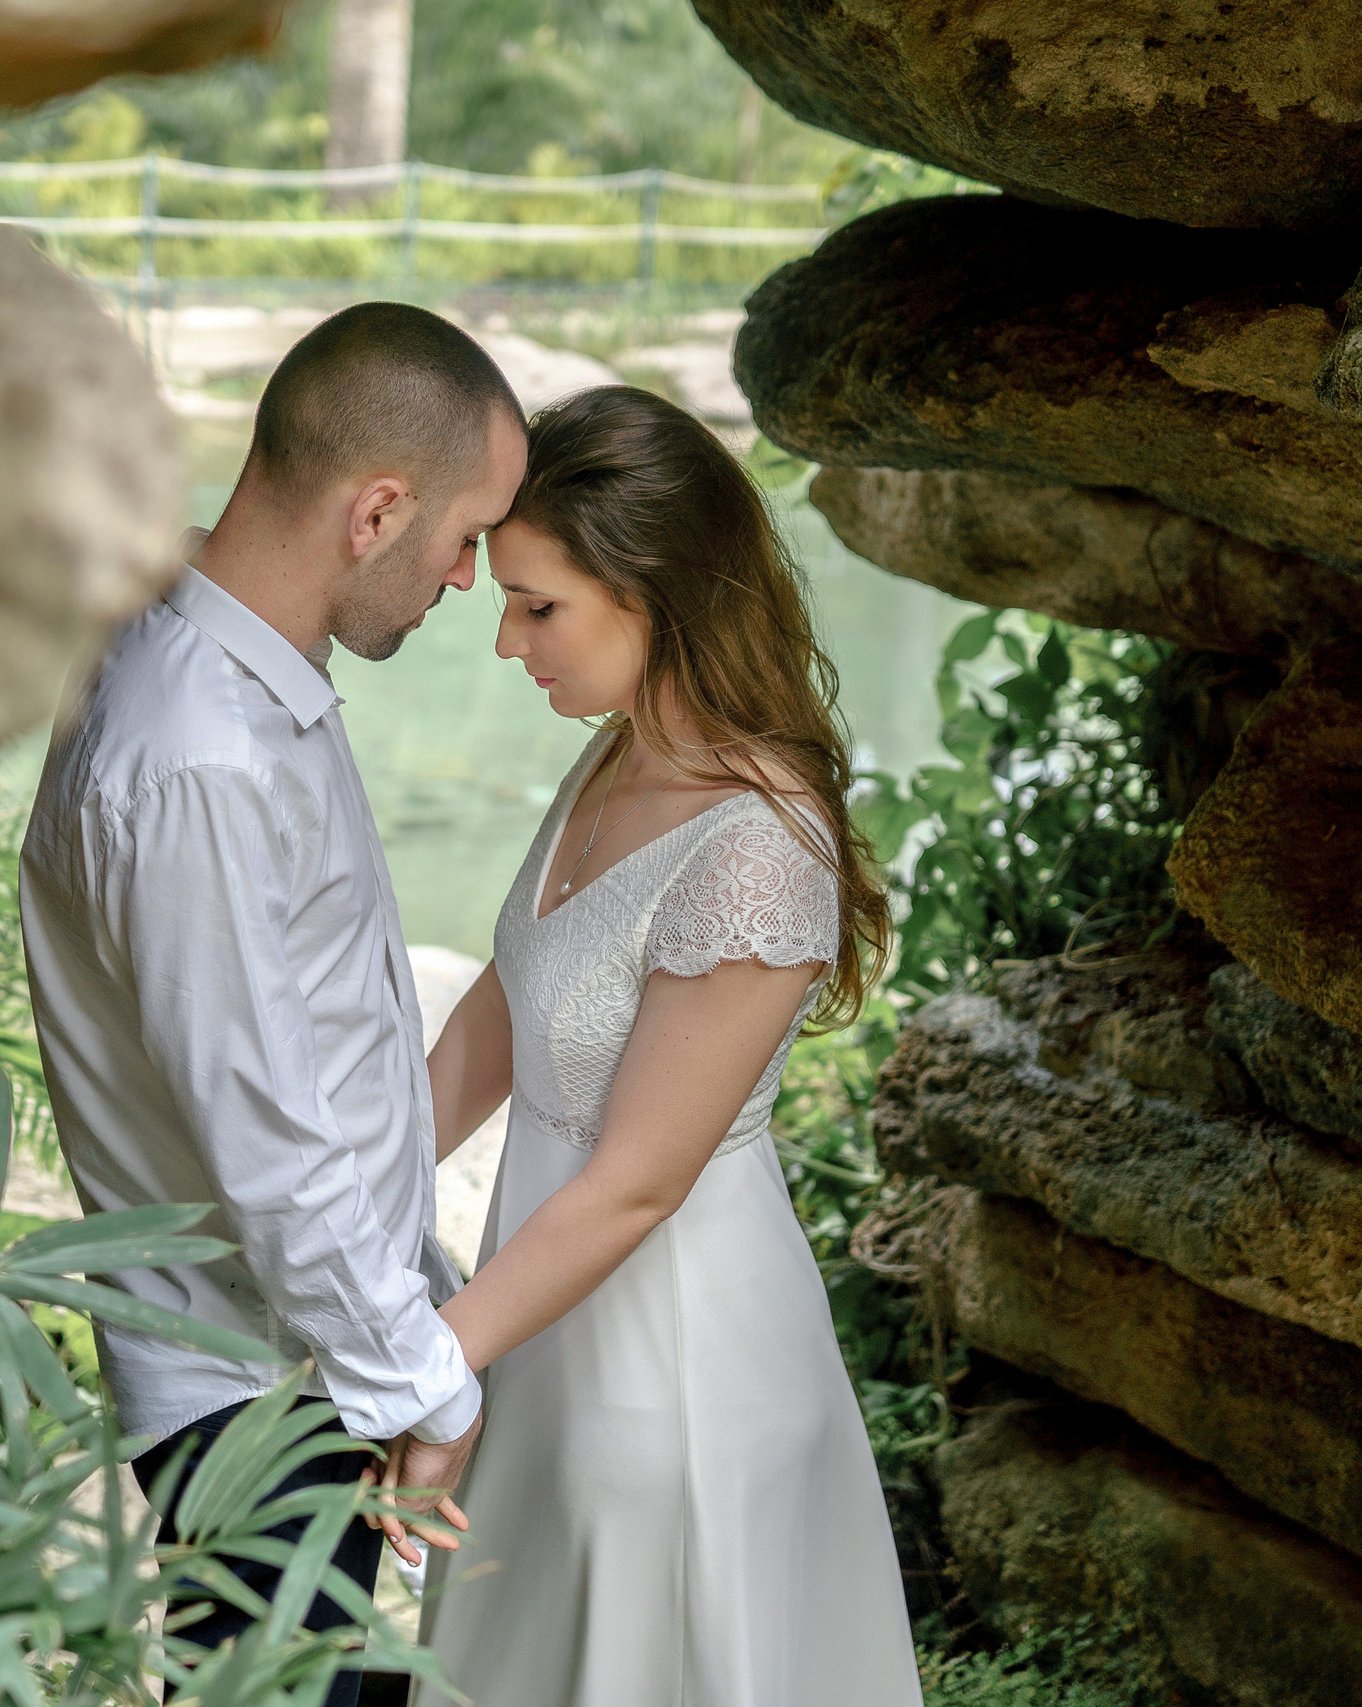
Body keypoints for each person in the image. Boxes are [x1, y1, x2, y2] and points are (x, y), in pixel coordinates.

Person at [18, 301, 526, 1707]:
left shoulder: (227, 674)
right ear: (375, 513)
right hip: (255, 1395)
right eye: (466, 535)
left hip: (308, 1365)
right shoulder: (199, 756)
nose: (469, 581)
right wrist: (422, 1382)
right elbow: (267, 1138)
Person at [394, 386, 924, 1706]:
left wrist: (428, 1359)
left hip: (671, 1369)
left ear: (656, 593)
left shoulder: (756, 846)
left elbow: (638, 1180)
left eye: (539, 606)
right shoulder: (613, 760)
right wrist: (348, 1182)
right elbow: (502, 1014)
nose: (510, 644)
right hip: (547, 1321)